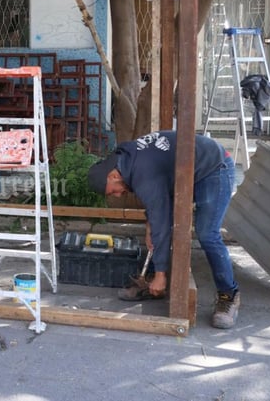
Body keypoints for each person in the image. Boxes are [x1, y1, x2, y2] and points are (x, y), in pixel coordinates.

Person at [87, 131, 240, 329]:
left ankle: (229, 295)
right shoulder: (125, 158)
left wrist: (161, 272)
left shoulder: (142, 174)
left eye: (113, 191)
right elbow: (156, 203)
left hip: (214, 167)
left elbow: (161, 217)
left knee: (207, 233)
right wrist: (150, 226)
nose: (118, 195)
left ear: (113, 175)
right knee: (157, 229)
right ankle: (153, 282)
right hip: (187, 170)